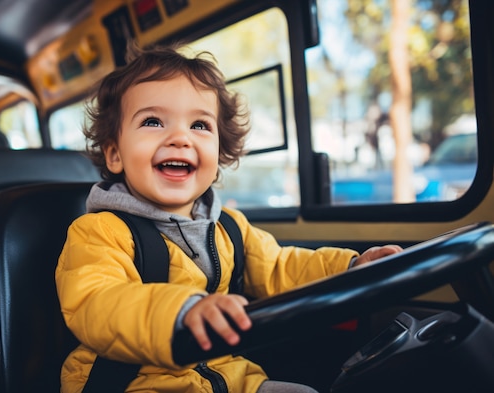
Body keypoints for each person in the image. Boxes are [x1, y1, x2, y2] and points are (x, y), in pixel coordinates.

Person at [55, 45, 402, 393]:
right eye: (152, 121)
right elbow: (98, 303)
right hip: (135, 381)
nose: (180, 138)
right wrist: (182, 313)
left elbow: (281, 266)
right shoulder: (98, 232)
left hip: (229, 375)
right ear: (115, 154)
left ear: (219, 153)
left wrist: (351, 266)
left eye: (199, 125)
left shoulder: (230, 227)